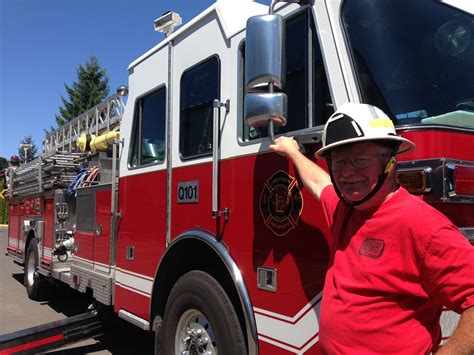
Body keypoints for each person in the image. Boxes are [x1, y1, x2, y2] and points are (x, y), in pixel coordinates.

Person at [269, 102, 474, 354]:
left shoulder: (423, 226)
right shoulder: (345, 208)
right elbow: (318, 181)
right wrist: (292, 152)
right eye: (338, 162)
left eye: (359, 160)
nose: (347, 172)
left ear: (389, 163)